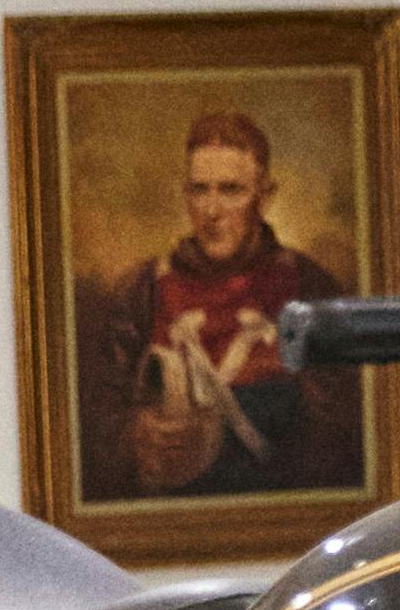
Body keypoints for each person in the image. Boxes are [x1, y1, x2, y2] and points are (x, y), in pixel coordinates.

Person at [85, 106, 346, 504]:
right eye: (199, 190)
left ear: (264, 196)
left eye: (231, 190)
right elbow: (97, 416)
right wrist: (139, 435)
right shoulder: (142, 291)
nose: (211, 211)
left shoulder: (310, 288)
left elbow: (342, 431)